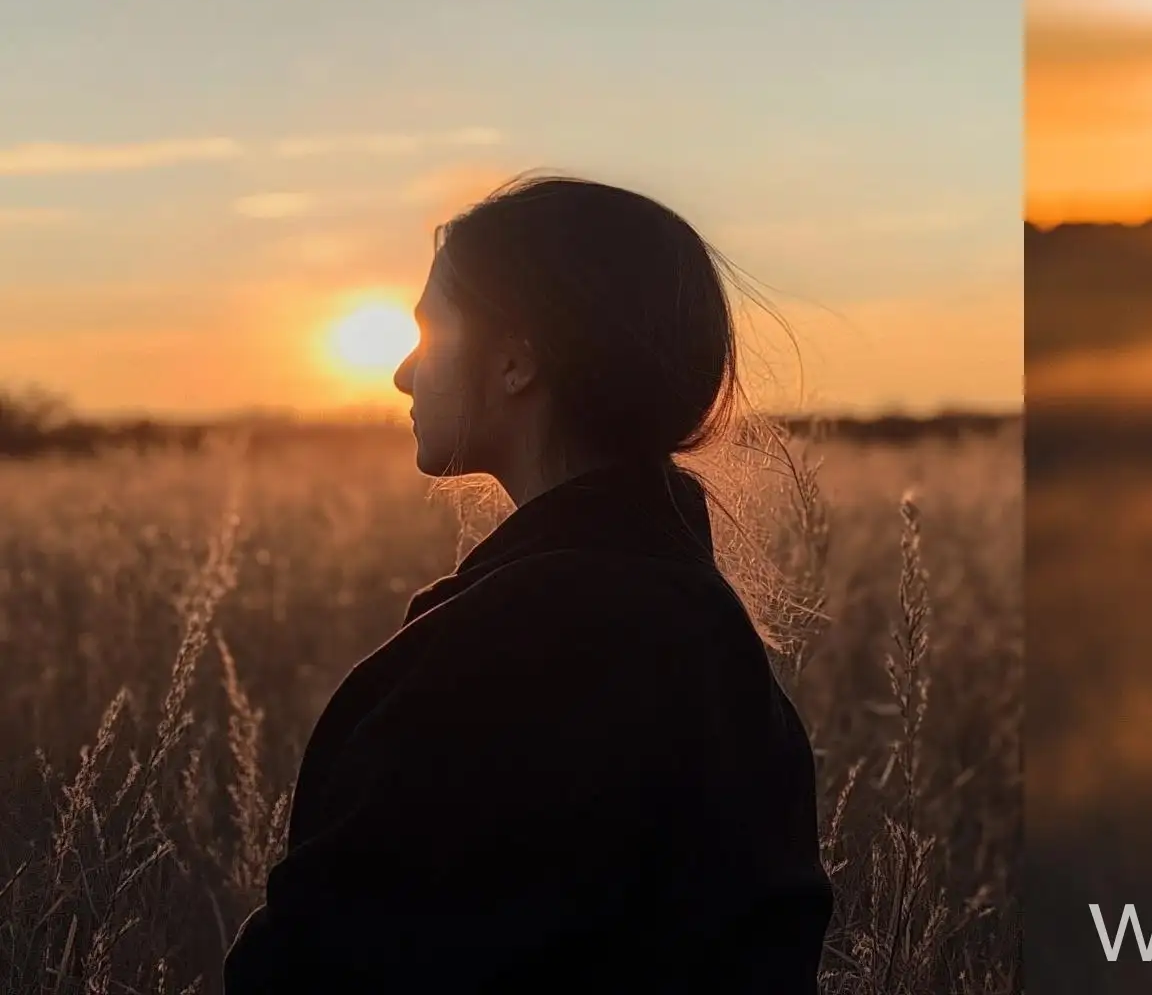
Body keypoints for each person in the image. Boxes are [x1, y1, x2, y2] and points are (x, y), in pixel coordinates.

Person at [223, 175, 832, 994]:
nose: (403, 374)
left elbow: (326, 963)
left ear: (515, 361)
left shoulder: (530, 640)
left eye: (429, 334)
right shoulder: (691, 621)